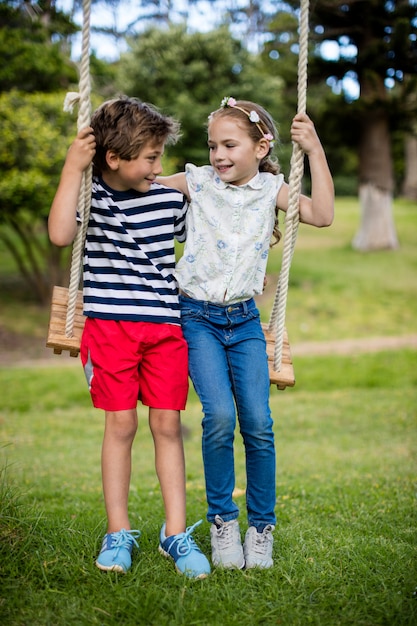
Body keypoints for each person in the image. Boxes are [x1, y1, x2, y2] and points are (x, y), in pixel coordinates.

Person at [158, 97, 334, 570]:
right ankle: (222, 522)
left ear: (262, 146)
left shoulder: (273, 189)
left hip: (245, 323)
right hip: (196, 318)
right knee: (217, 417)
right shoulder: (198, 181)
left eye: (230, 145)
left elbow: (322, 215)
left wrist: (314, 150)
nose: (218, 154)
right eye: (213, 144)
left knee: (257, 422)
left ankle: (261, 528)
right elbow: (144, 183)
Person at [48, 96, 210, 579]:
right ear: (114, 159)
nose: (159, 167)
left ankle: (175, 533)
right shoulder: (90, 197)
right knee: (120, 426)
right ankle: (117, 532)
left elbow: (200, 246)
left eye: (160, 156)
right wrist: (71, 169)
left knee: (166, 426)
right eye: (151, 157)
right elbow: (60, 235)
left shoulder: (167, 198)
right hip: (110, 331)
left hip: (164, 330)